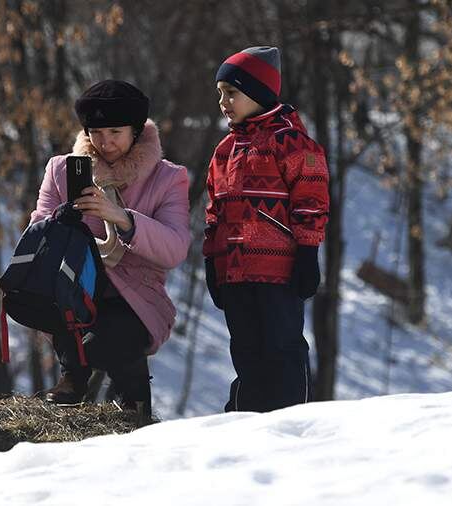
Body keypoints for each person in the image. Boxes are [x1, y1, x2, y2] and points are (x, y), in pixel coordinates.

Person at [30, 80, 191, 417]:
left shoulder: (168, 178)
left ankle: (130, 396)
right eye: (96, 132)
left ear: (136, 130)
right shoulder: (61, 171)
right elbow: (36, 235)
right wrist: (60, 221)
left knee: (104, 344)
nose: (105, 142)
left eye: (115, 131)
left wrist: (123, 219)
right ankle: (75, 378)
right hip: (75, 290)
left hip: (136, 296)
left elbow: (175, 249)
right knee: (67, 305)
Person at [202, 46, 330, 413]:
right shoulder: (224, 150)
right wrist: (212, 260)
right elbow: (214, 211)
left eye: (232, 93)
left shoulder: (290, 142)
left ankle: (291, 418)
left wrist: (308, 252)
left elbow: (312, 200)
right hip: (236, 270)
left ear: (258, 93)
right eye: (220, 94)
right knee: (245, 348)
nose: (223, 101)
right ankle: (244, 418)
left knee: (282, 346)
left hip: (279, 271)